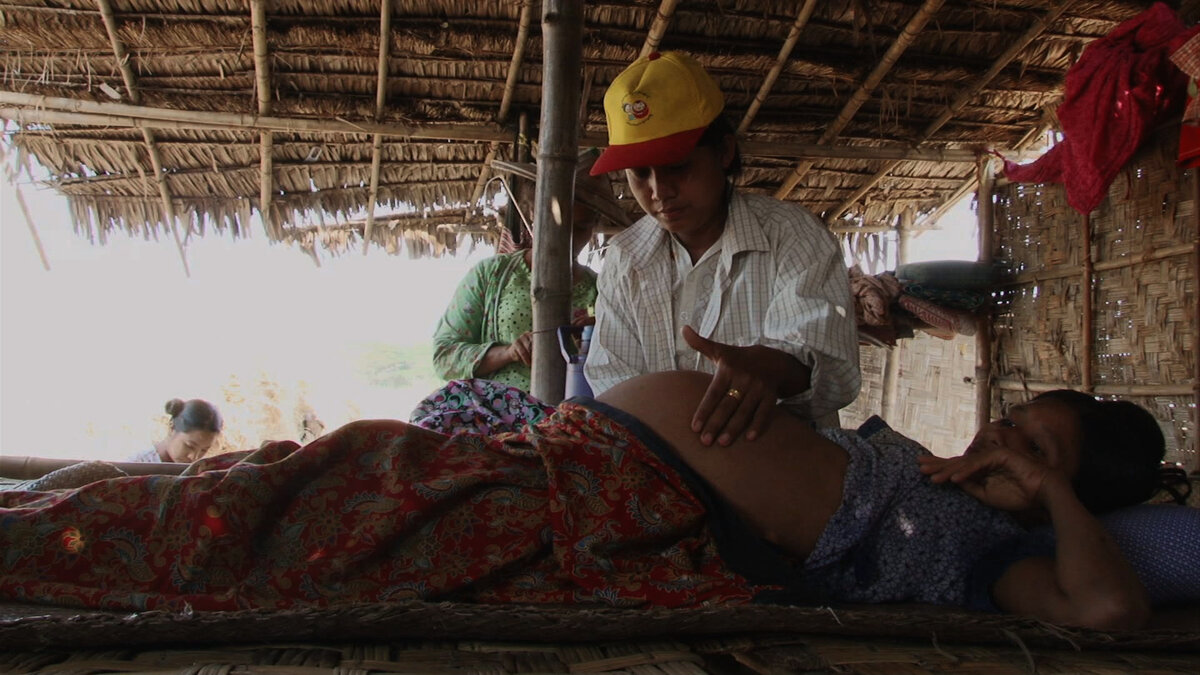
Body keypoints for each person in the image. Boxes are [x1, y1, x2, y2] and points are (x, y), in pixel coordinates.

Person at [0, 370, 1173, 631]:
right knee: (318, 467)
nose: (1004, 439)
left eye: (1037, 446)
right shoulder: (925, 459)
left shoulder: (987, 551)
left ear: (1062, 485)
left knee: (316, 514)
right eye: (1018, 420)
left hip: (615, 508)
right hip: (574, 450)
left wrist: (1053, 497)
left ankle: (46, 546)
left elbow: (1109, 613)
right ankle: (58, 511)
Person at [584, 51, 860, 446]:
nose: (658, 192)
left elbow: (830, 366)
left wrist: (773, 369)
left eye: (677, 165)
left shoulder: (793, 237)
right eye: (639, 173)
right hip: (667, 474)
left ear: (724, 152)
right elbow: (614, 385)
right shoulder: (626, 259)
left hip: (786, 473)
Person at [431, 151, 629, 393]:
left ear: (594, 227)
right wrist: (508, 352)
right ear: (533, 214)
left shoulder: (601, 291)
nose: (566, 238)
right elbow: (444, 357)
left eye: (580, 227)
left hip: (570, 418)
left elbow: (624, 368)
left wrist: (600, 340)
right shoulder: (491, 275)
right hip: (495, 417)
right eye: (558, 223)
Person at [127, 397, 222, 463]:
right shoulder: (136, 465)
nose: (193, 457)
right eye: (190, 446)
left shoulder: (199, 471)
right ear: (171, 427)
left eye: (204, 450)